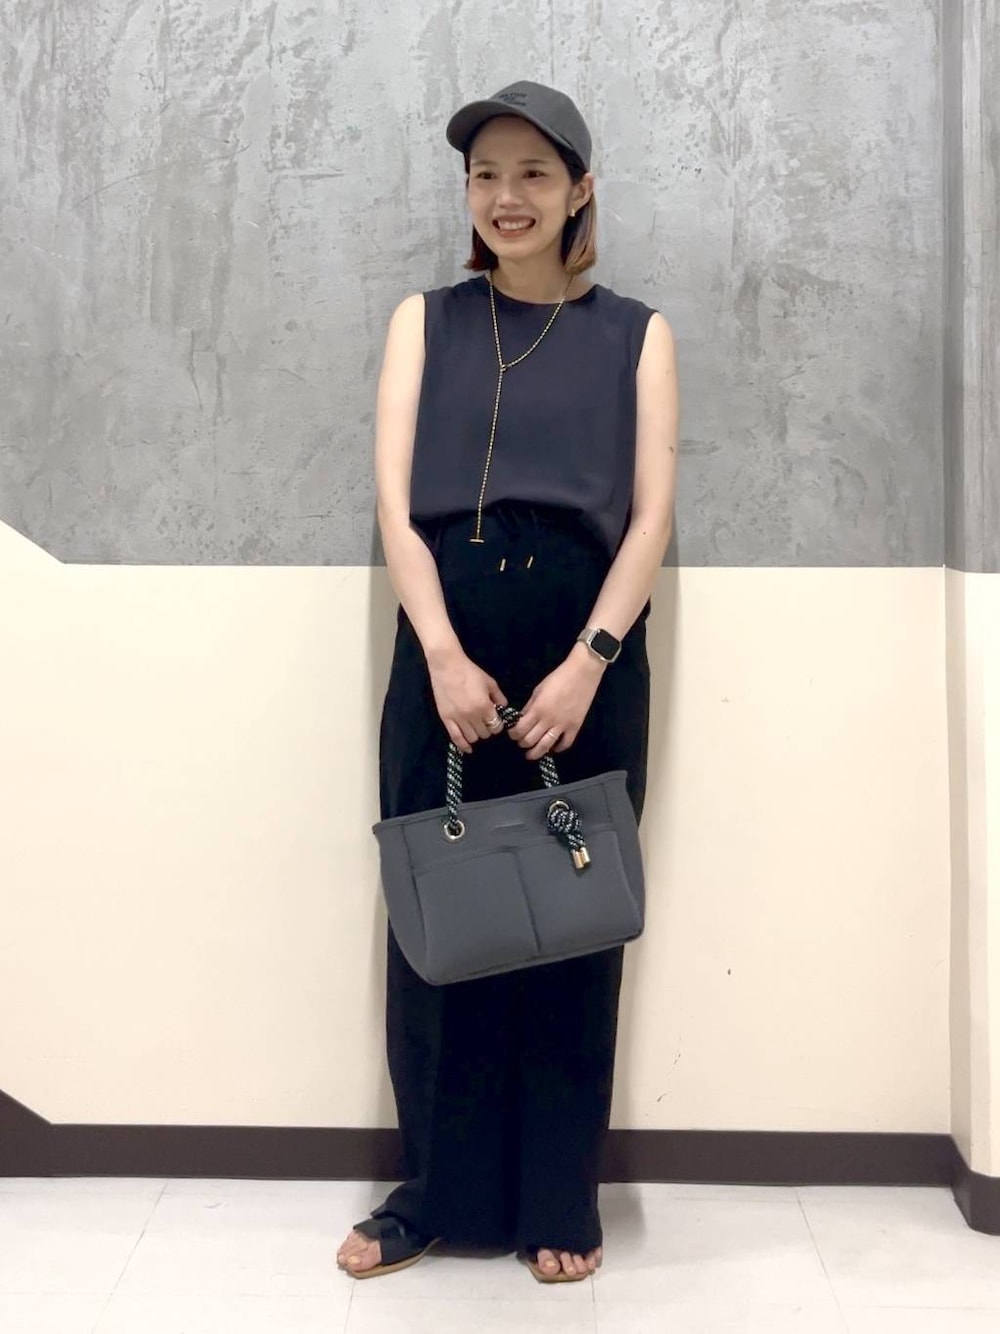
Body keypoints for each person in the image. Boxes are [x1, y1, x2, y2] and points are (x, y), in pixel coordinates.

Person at [336, 80, 679, 1283]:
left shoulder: (634, 333)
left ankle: (556, 1197)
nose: (506, 195)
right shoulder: (424, 321)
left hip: (583, 650)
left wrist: (590, 662)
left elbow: (648, 518)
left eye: (534, 171)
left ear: (580, 190)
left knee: (570, 926)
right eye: (485, 173)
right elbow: (394, 502)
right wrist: (438, 648)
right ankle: (431, 1195)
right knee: (443, 920)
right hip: (446, 645)